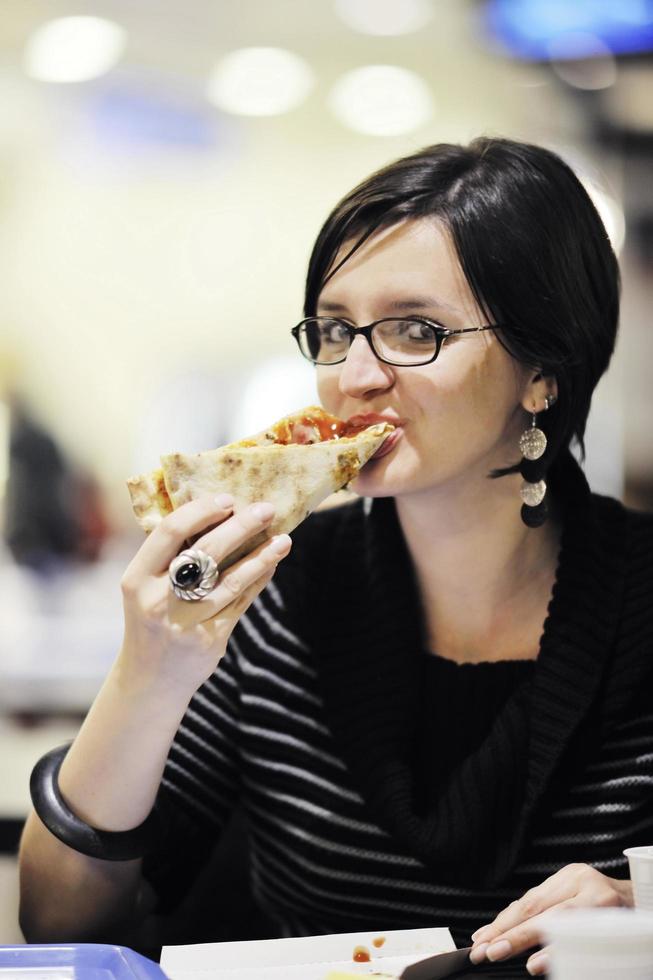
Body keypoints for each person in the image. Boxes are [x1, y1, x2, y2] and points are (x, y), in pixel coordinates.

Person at [19, 137, 653, 977]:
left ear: (542, 368)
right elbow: (61, 918)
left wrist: (641, 905)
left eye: (412, 330)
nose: (352, 375)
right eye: (333, 329)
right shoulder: (281, 584)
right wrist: (148, 671)